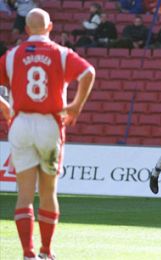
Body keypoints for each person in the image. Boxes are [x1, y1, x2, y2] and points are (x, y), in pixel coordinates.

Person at [0, 8, 95, 260]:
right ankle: (45, 251)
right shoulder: (61, 53)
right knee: (48, 192)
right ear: (50, 27)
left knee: (24, 193)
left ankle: (27, 253)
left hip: (20, 124)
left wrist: (4, 105)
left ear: (27, 29)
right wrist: (75, 106)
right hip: (49, 125)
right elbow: (89, 73)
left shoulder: (12, 55)